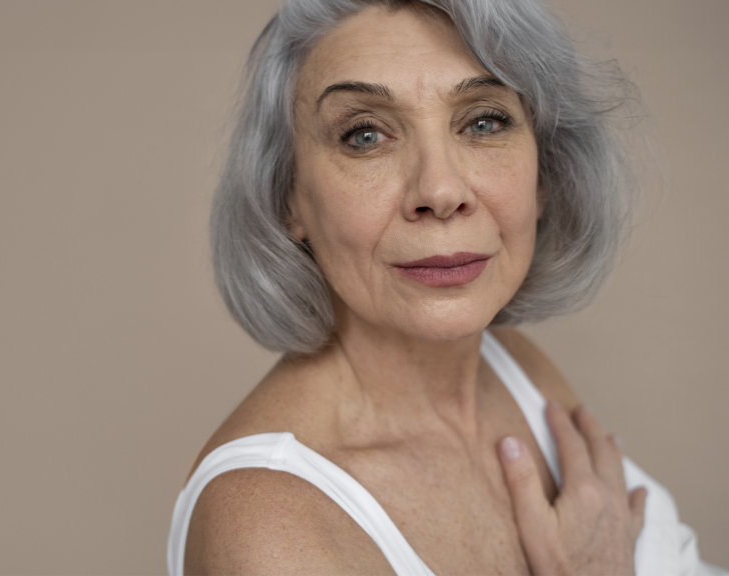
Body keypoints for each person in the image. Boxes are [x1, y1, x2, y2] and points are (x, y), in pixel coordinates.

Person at [167, 0, 726, 574]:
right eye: (365, 135)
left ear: (544, 173)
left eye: (484, 122)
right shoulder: (268, 525)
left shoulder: (516, 368)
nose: (439, 190)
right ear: (289, 196)